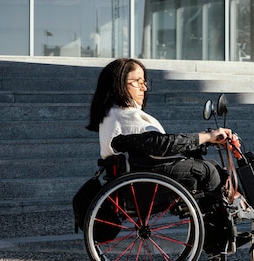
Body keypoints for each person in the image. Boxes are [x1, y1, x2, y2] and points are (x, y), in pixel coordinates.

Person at [86, 58, 232, 195]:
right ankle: (221, 221)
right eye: (137, 82)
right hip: (143, 181)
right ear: (118, 84)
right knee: (206, 170)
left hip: (138, 175)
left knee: (209, 165)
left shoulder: (113, 115)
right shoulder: (122, 115)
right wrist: (206, 137)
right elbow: (161, 145)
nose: (143, 88)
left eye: (144, 82)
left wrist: (205, 141)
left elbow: (155, 145)